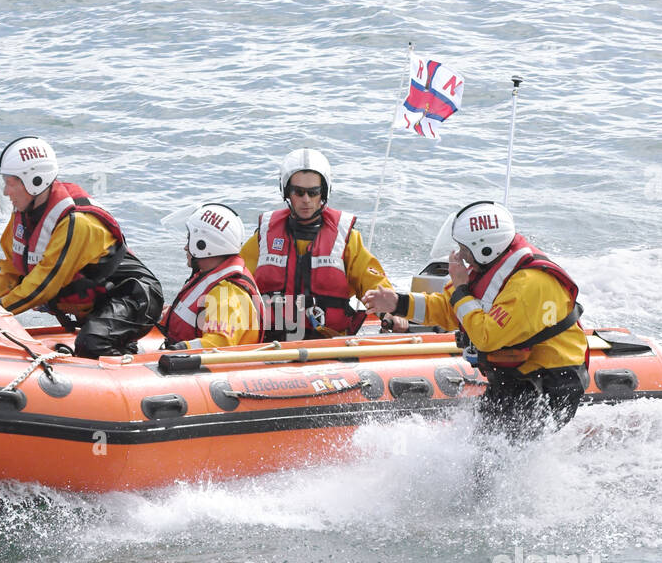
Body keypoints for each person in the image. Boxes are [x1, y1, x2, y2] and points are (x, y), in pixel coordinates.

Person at [363, 200, 589, 436]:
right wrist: (398, 303)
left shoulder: (529, 285)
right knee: (479, 448)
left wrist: (461, 290)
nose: (460, 255)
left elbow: (485, 337)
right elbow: (451, 310)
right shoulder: (489, 267)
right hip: (517, 378)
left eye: (464, 249)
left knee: (491, 459)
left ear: (486, 248)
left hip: (551, 383)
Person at [0, 136, 163, 358]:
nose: (6, 192)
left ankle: (128, 365)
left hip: (135, 297)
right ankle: (123, 348)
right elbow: (9, 269)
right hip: (101, 305)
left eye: (11, 183)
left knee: (91, 344)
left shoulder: (75, 222)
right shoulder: (23, 217)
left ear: (34, 181)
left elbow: (43, 286)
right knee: (91, 339)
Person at [240, 148, 394, 341]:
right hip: (270, 341)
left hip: (327, 342)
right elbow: (236, 280)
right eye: (299, 192)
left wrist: (389, 311)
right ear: (287, 192)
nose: (306, 200)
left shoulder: (347, 239)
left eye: (313, 192)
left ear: (324, 192)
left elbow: (373, 284)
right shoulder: (264, 236)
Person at [159, 203, 265, 351]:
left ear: (203, 245)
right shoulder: (211, 275)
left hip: (208, 369)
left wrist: (177, 351)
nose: (185, 247)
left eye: (189, 238)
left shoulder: (226, 293)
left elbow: (219, 344)